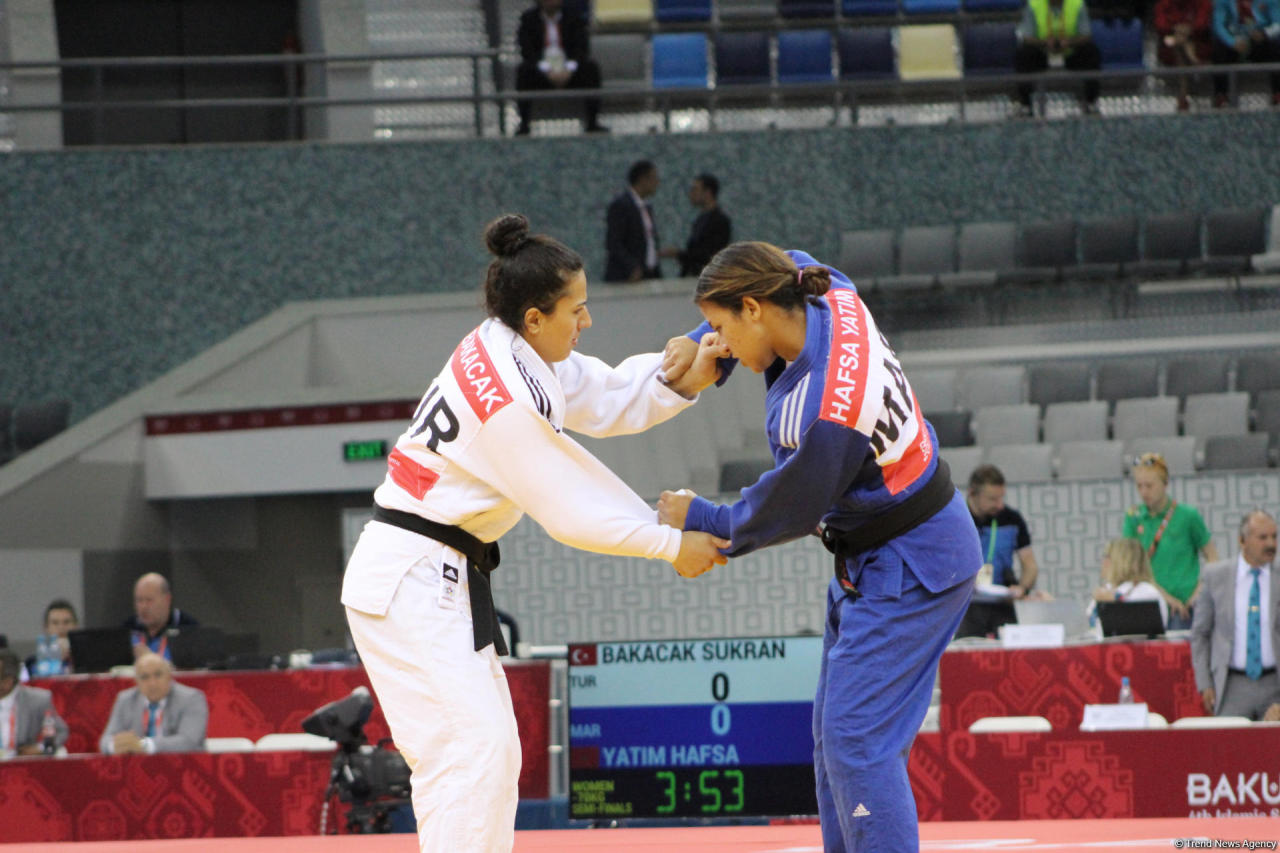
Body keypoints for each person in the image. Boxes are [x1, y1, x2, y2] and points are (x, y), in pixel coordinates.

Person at [340, 214, 729, 853]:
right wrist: (668, 543)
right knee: (472, 754)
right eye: (577, 309)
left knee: (483, 754)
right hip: (411, 577)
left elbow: (601, 394)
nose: (587, 321)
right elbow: (568, 508)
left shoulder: (511, 349)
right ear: (535, 318)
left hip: (429, 574)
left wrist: (675, 373)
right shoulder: (505, 399)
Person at [657, 241, 980, 853]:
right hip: (877, 555)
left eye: (724, 327)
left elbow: (791, 507)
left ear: (754, 309)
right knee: (836, 740)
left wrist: (700, 514)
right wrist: (700, 339)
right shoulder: (826, 289)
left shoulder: (828, 407)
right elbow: (786, 254)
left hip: (913, 560)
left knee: (857, 740)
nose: (720, 342)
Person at [1190, 510, 1280, 719]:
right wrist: (1204, 683)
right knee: (1229, 748)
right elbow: (1200, 634)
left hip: (1274, 685)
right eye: (1262, 537)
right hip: (1231, 685)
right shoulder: (1215, 576)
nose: (1271, 544)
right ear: (1242, 540)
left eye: (1274, 537)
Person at [1122, 452, 1218, 630]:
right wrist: (1165, 597)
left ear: (1165, 483)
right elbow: (1131, 567)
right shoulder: (1133, 517)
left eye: (1149, 486)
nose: (1144, 492)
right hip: (1150, 603)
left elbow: (1212, 556)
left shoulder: (1187, 516)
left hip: (1186, 608)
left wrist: (1199, 591)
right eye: (1139, 486)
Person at [954, 464, 1040, 639]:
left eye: (1001, 498)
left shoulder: (1012, 519)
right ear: (973, 493)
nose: (999, 505)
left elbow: (1030, 565)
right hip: (966, 604)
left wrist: (1022, 588)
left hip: (1003, 603)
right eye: (993, 499)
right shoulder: (956, 519)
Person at [514, 0, 607, 136]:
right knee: (523, 71)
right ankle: (524, 125)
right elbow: (527, 51)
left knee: (591, 69)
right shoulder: (529, 19)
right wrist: (547, 70)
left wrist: (569, 69)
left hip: (569, 70)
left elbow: (581, 48)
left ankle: (593, 123)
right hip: (542, 72)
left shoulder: (573, 17)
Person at [99, 652, 208, 754]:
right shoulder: (125, 700)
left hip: (183, 769)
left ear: (169, 676)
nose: (152, 683)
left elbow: (189, 742)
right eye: (145, 677)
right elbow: (105, 741)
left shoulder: (192, 699)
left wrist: (144, 745)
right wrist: (115, 746)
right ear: (136, 681)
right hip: (136, 770)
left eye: (158, 675)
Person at [1014, 0, 1104, 114]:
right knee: (1023, 53)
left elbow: (1086, 35)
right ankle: (1025, 105)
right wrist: (1045, 43)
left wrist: (1069, 42)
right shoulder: (1034, 4)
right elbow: (1026, 37)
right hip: (1042, 51)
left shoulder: (1077, 3)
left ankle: (1091, 102)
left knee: (1090, 51)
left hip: (1070, 51)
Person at [1087, 537, 1170, 635]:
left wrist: (1115, 599)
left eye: (1107, 556)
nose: (1103, 561)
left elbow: (1138, 626)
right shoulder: (1107, 589)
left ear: (1122, 561)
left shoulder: (1147, 591)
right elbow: (1094, 624)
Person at [1208, 0, 1280, 107]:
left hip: (1259, 40)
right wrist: (1232, 42)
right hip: (1235, 40)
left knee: (1276, 44)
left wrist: (1264, 34)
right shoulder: (1223, 2)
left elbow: (1278, 24)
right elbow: (1218, 26)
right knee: (1219, 47)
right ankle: (1221, 96)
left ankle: (1277, 94)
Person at [660, 173, 732, 278]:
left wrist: (679, 254)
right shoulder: (700, 220)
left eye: (695, 190)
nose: (691, 194)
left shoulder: (720, 221)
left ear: (707, 193)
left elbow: (710, 254)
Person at [0, 650, 69, 758]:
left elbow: (61, 732)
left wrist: (41, 747)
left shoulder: (37, 700)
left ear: (8, 682)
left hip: (19, 763)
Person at [604, 160, 662, 283]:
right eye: (654, 178)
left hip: (649, 273)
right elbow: (614, 242)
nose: (657, 182)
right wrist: (632, 267)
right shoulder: (621, 206)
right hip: (629, 275)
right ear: (642, 179)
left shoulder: (646, 207)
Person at [122, 573, 199, 660]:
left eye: (149, 600)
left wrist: (150, 658)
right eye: (139, 600)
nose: (144, 606)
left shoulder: (189, 628)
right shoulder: (128, 629)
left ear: (167, 600)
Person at [1154, 0, 1212, 110]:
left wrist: (1188, 29)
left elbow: (1202, 23)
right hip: (1171, 40)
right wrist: (1176, 29)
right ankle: (1193, 60)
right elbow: (1160, 25)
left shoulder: (1202, 2)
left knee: (1179, 43)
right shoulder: (1164, 4)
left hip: (1196, 40)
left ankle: (1183, 93)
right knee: (1176, 43)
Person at [24, 599, 78, 676]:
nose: (61, 628)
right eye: (55, 623)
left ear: (75, 625)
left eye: (66, 622)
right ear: (46, 627)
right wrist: (56, 659)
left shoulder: (88, 659)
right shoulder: (32, 662)